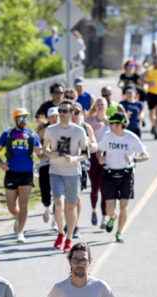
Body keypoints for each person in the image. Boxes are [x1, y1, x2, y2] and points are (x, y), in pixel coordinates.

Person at [43, 100, 89, 252]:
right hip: (56, 171)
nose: (62, 114)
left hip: (73, 173)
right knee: (58, 203)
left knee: (71, 207)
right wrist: (52, 154)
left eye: (65, 111)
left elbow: (85, 153)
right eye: (60, 111)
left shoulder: (79, 131)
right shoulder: (50, 130)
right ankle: (60, 233)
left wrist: (75, 159)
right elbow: (45, 150)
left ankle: (69, 237)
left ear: (71, 113)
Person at [97, 111, 149, 243]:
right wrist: (100, 158)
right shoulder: (108, 136)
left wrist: (133, 159)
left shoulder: (131, 137)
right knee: (109, 209)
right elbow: (99, 150)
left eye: (113, 124)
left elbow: (145, 155)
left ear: (120, 125)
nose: (110, 126)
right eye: (110, 123)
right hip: (109, 174)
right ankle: (112, 218)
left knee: (124, 206)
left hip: (126, 174)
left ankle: (119, 233)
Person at [0, 108, 42, 243]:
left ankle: (20, 232)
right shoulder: (7, 134)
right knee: (11, 207)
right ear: (15, 119)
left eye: (25, 117)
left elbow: (39, 153)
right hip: (11, 173)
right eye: (20, 118)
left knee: (24, 204)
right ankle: (17, 217)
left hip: (27, 173)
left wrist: (47, 151)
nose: (23, 120)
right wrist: (0, 163)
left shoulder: (32, 135)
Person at [71, 102, 98, 239]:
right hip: (62, 166)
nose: (73, 115)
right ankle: (69, 222)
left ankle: (74, 225)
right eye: (71, 112)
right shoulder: (64, 127)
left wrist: (87, 144)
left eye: (77, 112)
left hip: (80, 166)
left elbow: (95, 146)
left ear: (81, 113)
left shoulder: (86, 127)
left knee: (75, 197)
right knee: (63, 199)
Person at [85, 97, 109, 228]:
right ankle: (94, 211)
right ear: (95, 106)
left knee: (105, 188)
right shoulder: (89, 121)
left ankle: (104, 218)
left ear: (106, 106)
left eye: (102, 104)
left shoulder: (110, 122)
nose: (100, 106)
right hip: (93, 156)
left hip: (106, 157)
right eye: (98, 104)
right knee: (95, 187)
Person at [36, 107, 59, 227]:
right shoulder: (42, 130)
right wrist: (40, 153)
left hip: (58, 164)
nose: (54, 118)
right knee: (45, 190)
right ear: (48, 118)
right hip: (45, 163)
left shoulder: (62, 128)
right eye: (51, 116)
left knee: (58, 192)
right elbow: (38, 147)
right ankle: (46, 208)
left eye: (56, 116)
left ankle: (55, 218)